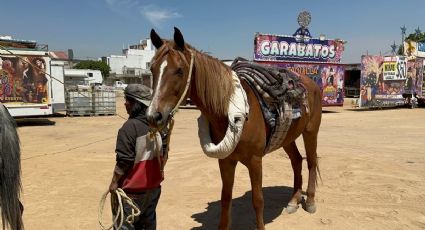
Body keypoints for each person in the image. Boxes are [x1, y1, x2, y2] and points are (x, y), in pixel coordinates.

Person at [109, 84, 167, 230]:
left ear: (137, 104)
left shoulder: (129, 127)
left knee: (125, 225)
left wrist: (114, 183)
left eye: (128, 100)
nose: (125, 104)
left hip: (132, 192)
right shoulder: (159, 127)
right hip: (153, 189)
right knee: (148, 225)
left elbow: (124, 161)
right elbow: (164, 155)